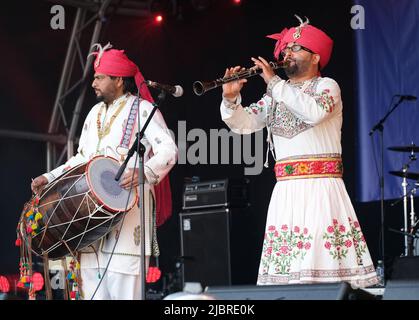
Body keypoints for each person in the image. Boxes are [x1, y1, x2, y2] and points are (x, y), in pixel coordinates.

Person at [220, 17, 378, 287]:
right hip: (287, 192)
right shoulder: (275, 96)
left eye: (296, 48)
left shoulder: (327, 87)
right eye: (285, 49)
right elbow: (244, 124)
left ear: (315, 56)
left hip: (322, 190)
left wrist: (274, 83)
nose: (286, 53)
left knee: (323, 269)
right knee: (289, 273)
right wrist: (230, 98)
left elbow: (313, 112)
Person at [31, 43, 178, 299]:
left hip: (128, 215)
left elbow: (169, 150)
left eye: (99, 77)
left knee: (123, 291)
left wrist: (144, 172)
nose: (93, 83)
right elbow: (81, 159)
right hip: (89, 222)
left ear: (119, 80)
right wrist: (50, 177)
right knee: (92, 293)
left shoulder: (142, 109)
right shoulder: (94, 113)